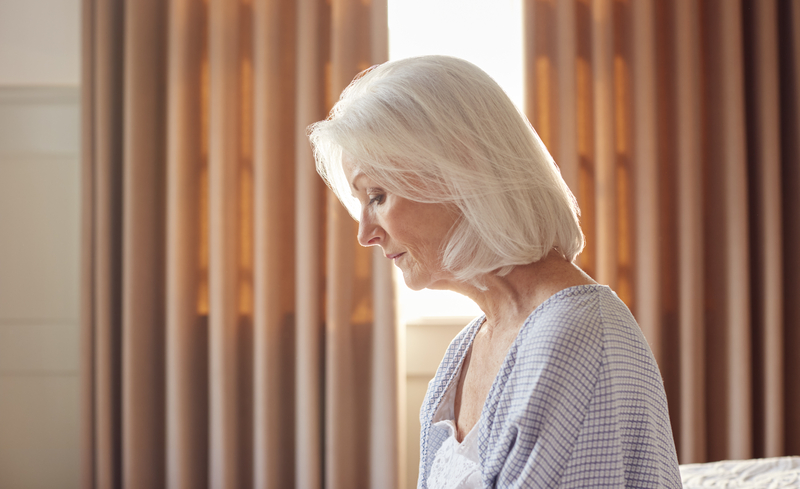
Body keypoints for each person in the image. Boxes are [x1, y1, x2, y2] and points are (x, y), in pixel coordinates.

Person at [309, 55, 681, 488]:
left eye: (377, 195)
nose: (366, 234)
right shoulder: (466, 350)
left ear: (457, 173)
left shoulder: (576, 336)